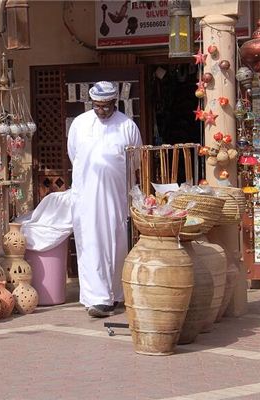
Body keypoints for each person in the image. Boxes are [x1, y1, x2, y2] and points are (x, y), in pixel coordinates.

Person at [67, 81, 142, 318]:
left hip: (115, 198)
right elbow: (74, 155)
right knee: (90, 244)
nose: (101, 111)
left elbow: (135, 161)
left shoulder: (127, 126)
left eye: (106, 106)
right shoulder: (80, 124)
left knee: (115, 244)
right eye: (97, 106)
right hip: (87, 197)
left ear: (115, 103)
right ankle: (96, 299)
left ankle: (115, 294)